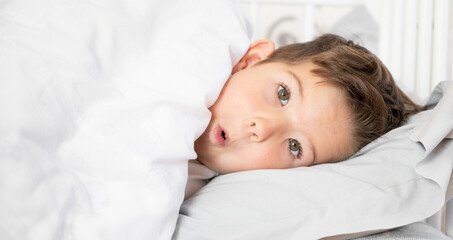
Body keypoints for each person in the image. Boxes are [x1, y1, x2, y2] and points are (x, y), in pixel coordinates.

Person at [185, 33, 422, 199]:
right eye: (283, 93)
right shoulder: (186, 54)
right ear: (251, 61)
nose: (264, 128)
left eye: (295, 146)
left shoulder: (183, 195)